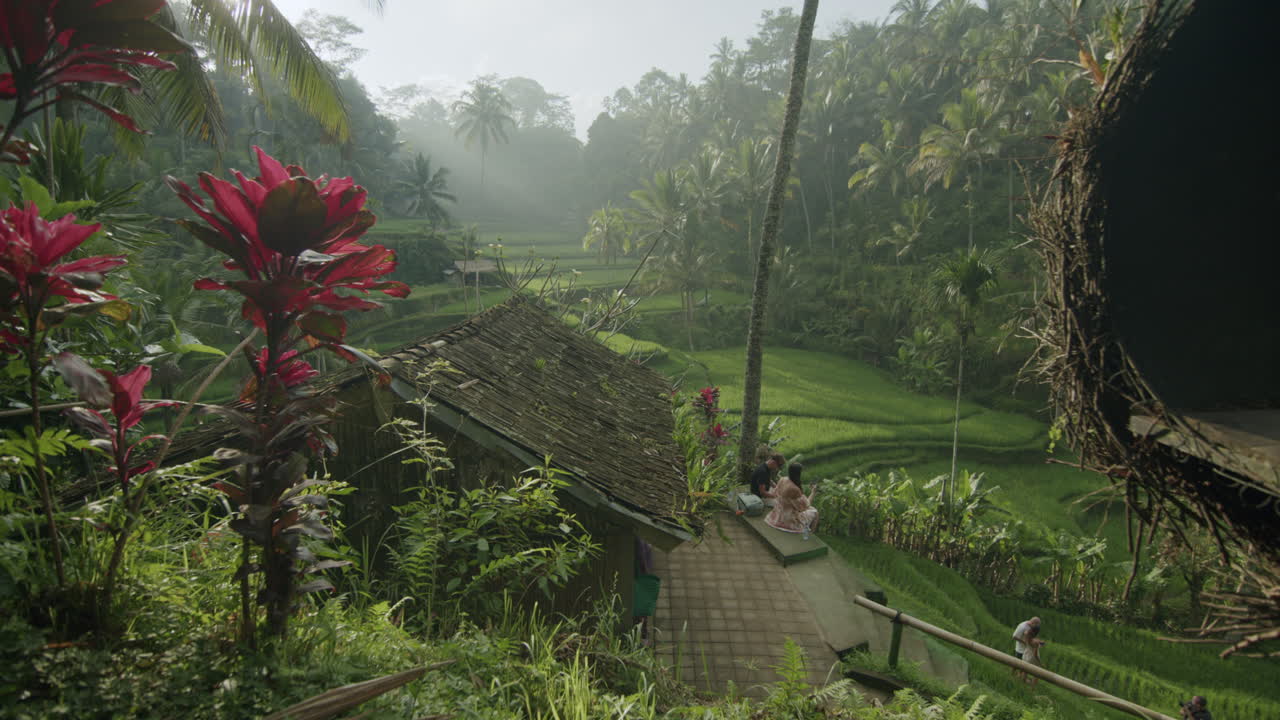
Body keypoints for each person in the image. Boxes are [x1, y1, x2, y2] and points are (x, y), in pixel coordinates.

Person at [765, 463, 819, 533]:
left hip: (776, 516)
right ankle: (810, 534)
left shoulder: (782, 479)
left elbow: (776, 493)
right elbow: (804, 507)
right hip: (788, 521)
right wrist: (813, 492)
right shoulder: (795, 489)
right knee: (815, 512)